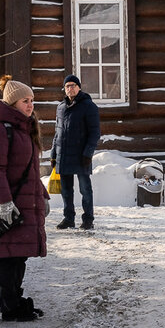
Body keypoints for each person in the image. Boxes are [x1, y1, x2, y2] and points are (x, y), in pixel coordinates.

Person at [0, 77, 48, 321]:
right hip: (8, 204)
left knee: (19, 254)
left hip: (24, 203)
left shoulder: (24, 128)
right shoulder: (0, 130)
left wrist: (42, 196)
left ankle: (15, 300)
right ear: (13, 103)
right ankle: (9, 307)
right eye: (25, 101)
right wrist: (4, 203)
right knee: (8, 256)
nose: (30, 105)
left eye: (32, 100)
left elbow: (31, 171)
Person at [50, 74, 100, 230]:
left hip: (81, 155)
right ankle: (68, 218)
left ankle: (88, 219)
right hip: (63, 154)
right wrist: (53, 155)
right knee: (66, 190)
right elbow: (57, 133)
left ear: (79, 87)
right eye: (67, 86)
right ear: (64, 89)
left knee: (85, 188)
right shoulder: (60, 107)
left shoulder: (88, 106)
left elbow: (94, 133)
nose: (70, 88)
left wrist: (88, 153)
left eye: (72, 85)